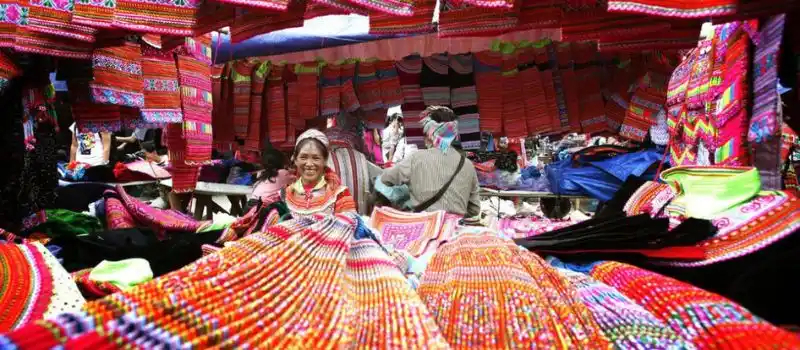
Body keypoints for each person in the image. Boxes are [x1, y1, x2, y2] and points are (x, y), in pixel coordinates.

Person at [381, 106, 481, 217]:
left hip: (423, 224)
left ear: (430, 134)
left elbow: (385, 178)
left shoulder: (416, 158)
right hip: (454, 226)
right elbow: (474, 209)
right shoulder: (468, 165)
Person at [281, 129, 357, 217]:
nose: (309, 164)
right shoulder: (285, 194)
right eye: (303, 157)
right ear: (295, 159)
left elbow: (349, 223)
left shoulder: (340, 195)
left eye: (316, 158)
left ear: (325, 160)